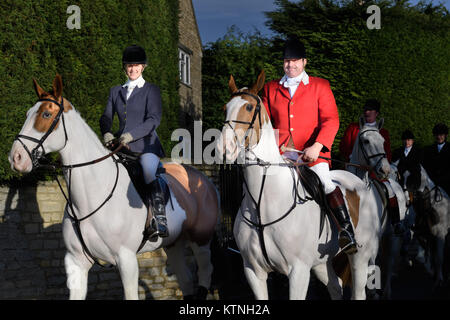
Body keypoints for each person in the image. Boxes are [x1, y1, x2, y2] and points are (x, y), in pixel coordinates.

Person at [261, 38, 357, 255]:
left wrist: (318, 145)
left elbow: (331, 120)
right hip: (281, 156)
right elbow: (266, 124)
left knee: (325, 182)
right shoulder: (270, 89)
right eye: (287, 61)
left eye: (295, 61)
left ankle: (346, 231)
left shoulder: (320, 86)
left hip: (313, 155)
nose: (290, 65)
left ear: (304, 62)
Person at [99, 45, 168, 238]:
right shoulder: (115, 91)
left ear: (143, 67)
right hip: (121, 146)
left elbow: (154, 119)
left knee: (147, 169)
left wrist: (131, 135)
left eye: (136, 65)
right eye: (129, 65)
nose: (133, 69)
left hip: (146, 145)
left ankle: (159, 218)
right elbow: (106, 116)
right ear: (125, 67)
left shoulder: (151, 90)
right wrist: (106, 132)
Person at [339, 100, 404, 235]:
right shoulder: (353, 127)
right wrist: (350, 156)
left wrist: (376, 166)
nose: (367, 112)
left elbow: (387, 154)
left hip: (374, 172)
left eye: (370, 110)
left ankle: (396, 222)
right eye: (365, 109)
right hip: (353, 168)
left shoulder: (383, 132)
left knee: (390, 190)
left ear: (376, 113)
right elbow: (343, 146)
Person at [422, 123, 450, 195]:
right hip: (432, 183)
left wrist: (442, 179)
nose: (439, 137)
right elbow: (425, 166)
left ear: (445, 135)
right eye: (437, 135)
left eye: (441, 135)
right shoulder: (428, 150)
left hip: (447, 183)